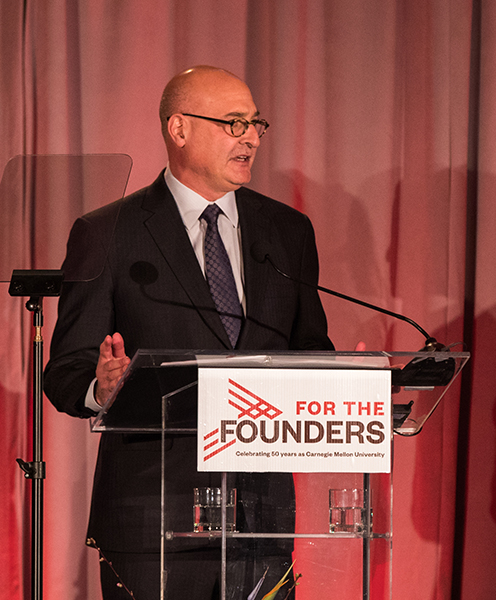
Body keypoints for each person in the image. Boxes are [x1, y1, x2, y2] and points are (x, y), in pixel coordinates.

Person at [44, 66, 333, 599]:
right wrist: (101, 388)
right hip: (152, 517)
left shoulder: (287, 231)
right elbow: (65, 370)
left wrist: (348, 380)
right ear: (179, 130)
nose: (249, 136)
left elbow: (310, 348)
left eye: (255, 124)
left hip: (260, 518)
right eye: (233, 123)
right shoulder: (107, 232)